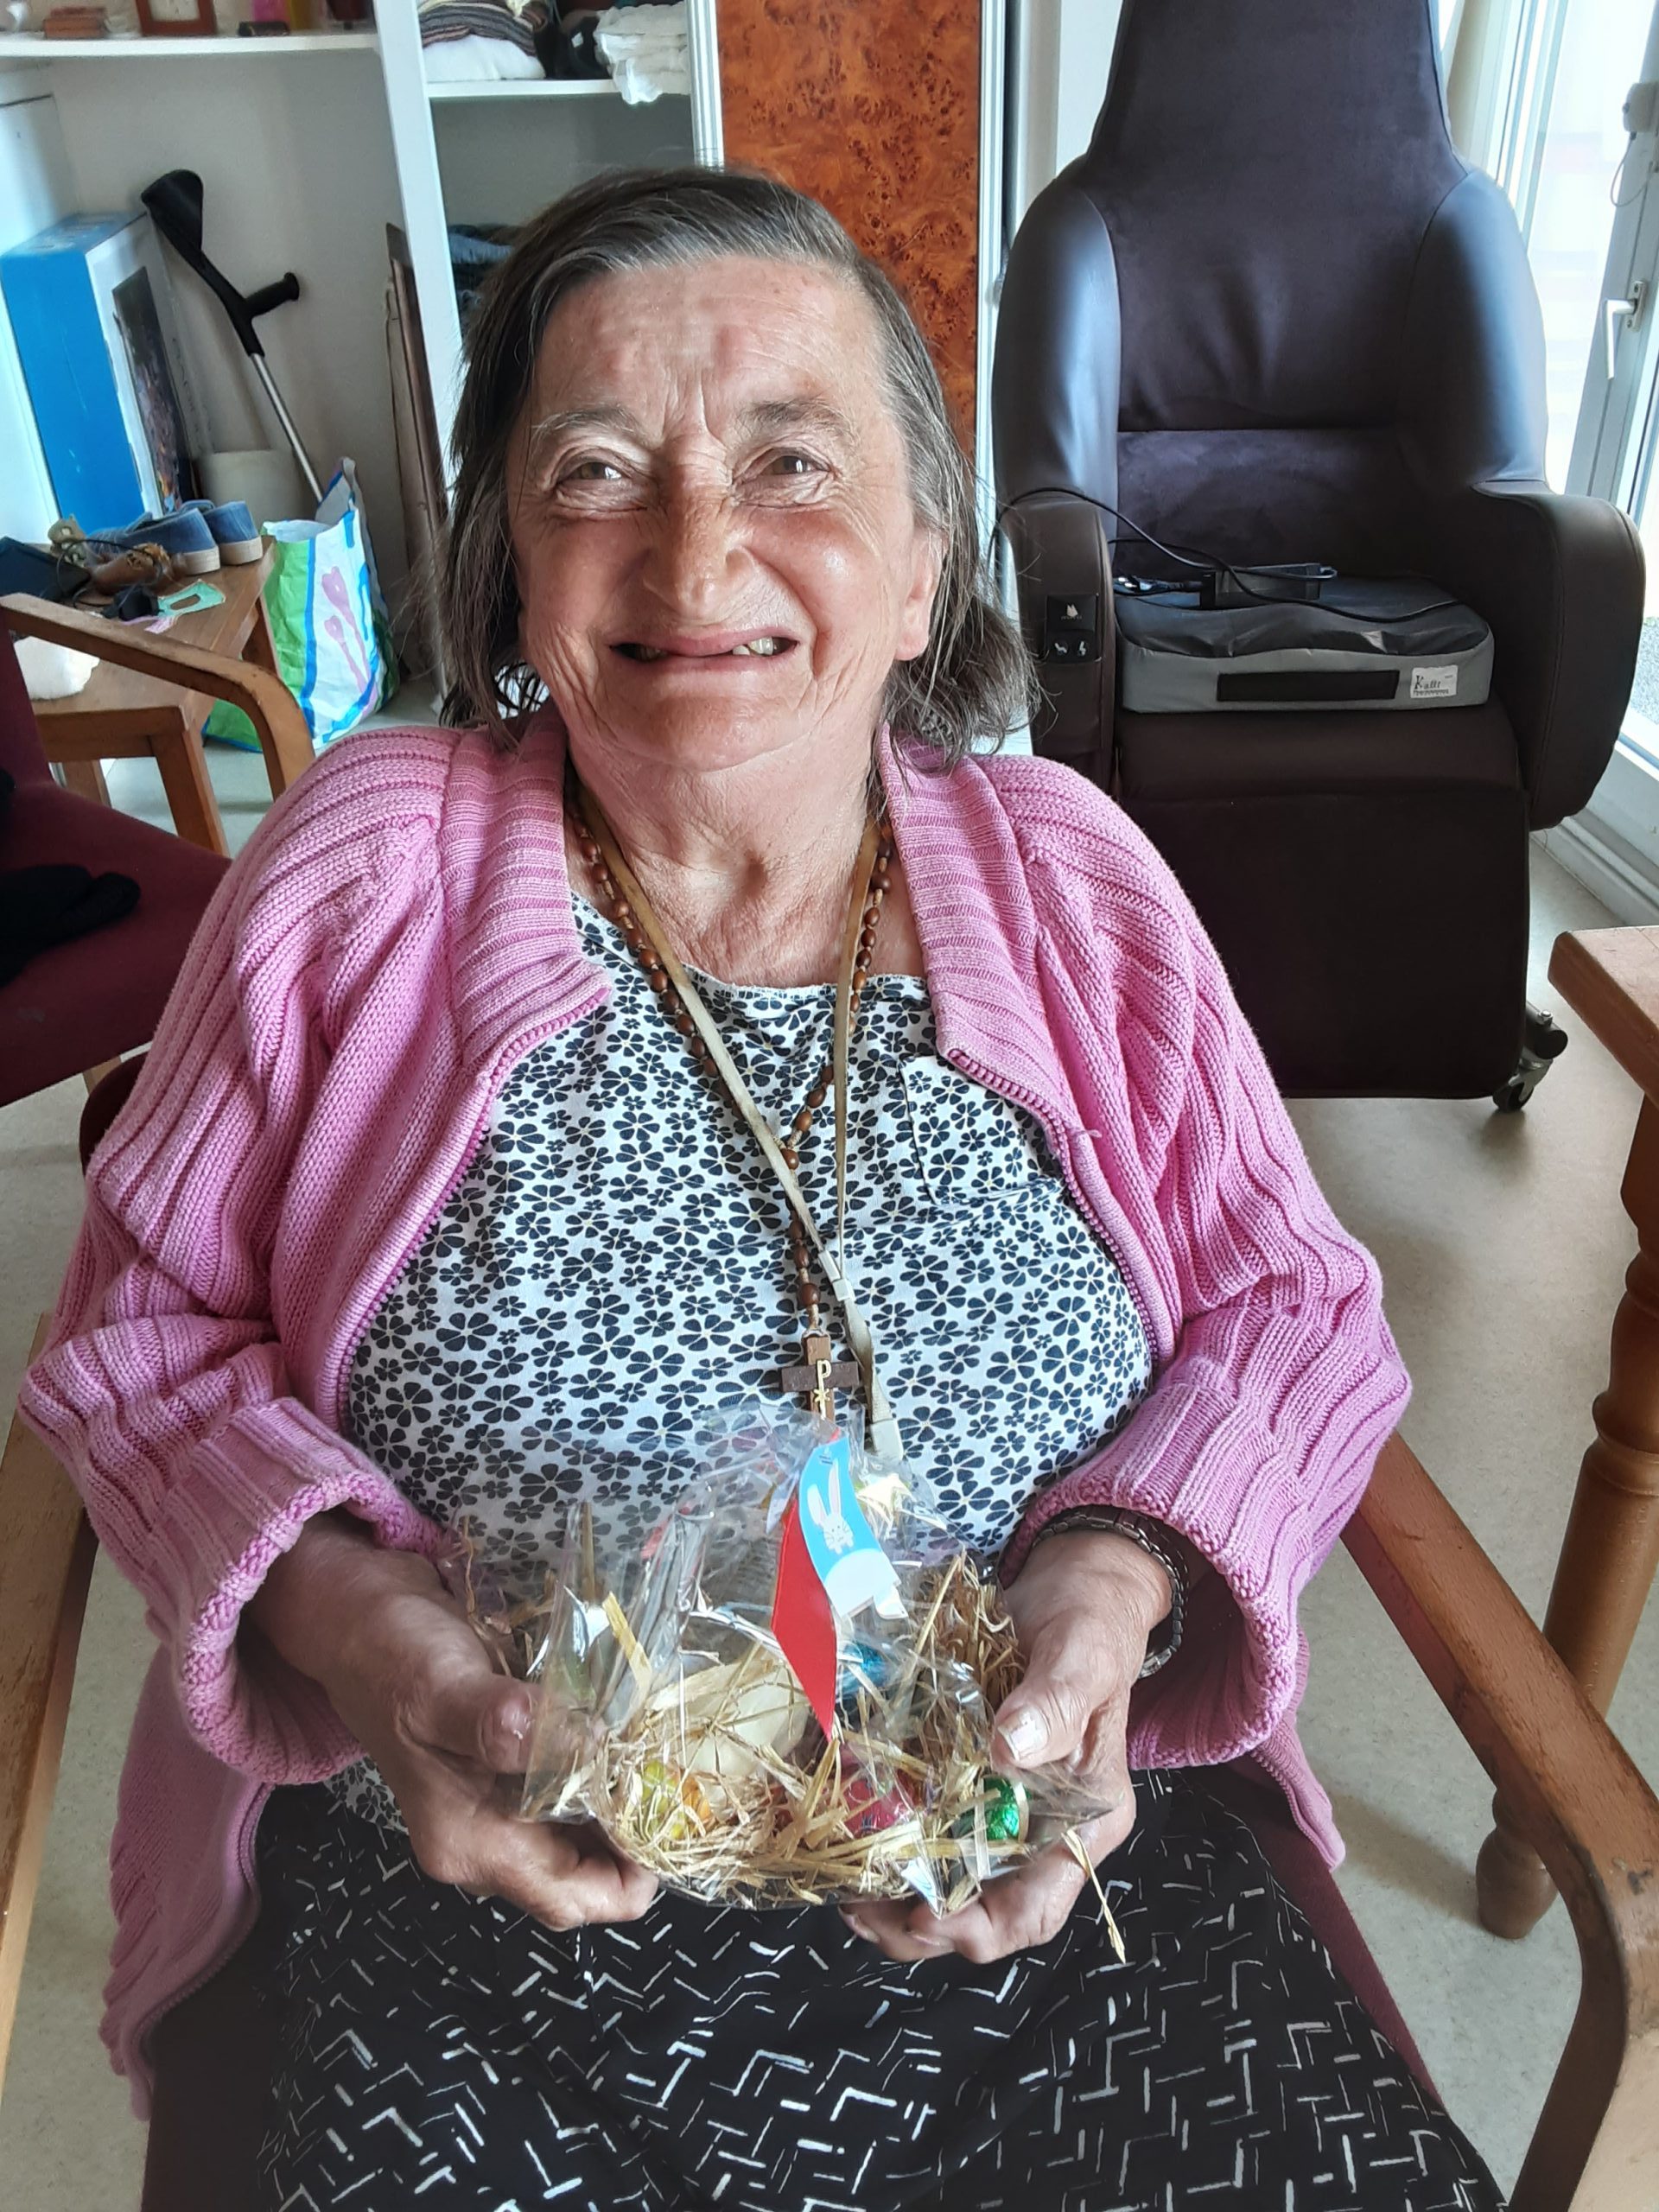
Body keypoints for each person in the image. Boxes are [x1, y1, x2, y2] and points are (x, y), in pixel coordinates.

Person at [22, 168, 1503, 2210]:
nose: (697, 548)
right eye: (596, 471)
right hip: (489, 1909)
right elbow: (134, 1336)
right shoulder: (363, 876)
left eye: (792, 460)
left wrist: (1117, 1578)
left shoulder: (1071, 880)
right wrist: (354, 1626)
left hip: (1028, 1885)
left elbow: (1294, 1303)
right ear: (510, 570)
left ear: (920, 569)